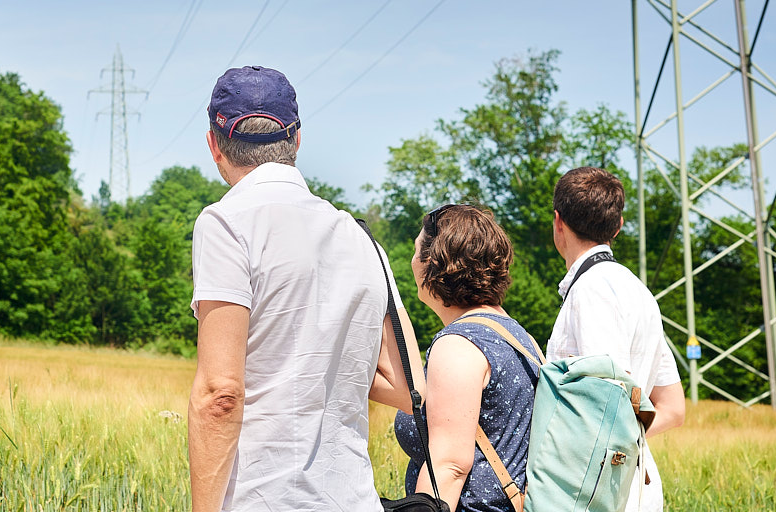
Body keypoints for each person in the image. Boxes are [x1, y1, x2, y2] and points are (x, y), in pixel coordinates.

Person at [187, 66, 423, 512]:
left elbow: (220, 393)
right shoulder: (360, 238)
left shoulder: (225, 223)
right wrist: (322, 359)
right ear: (296, 141)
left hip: (264, 499)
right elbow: (406, 387)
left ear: (214, 145)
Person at [547, 166, 685, 512]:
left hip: (598, 490)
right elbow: (671, 407)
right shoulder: (640, 293)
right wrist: (631, 438)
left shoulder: (591, 291)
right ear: (618, 227)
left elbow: (611, 396)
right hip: (635, 483)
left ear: (558, 222)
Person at [394, 204, 539, 512]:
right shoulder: (519, 337)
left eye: (416, 248)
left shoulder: (459, 344)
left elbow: (449, 466)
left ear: (432, 262)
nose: (411, 260)